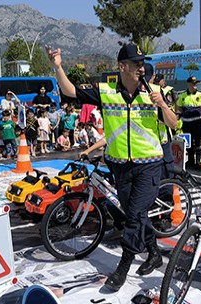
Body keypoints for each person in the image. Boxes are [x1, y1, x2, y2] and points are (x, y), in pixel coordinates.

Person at [48, 43, 178, 291]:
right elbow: (70, 91)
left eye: (143, 63)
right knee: (133, 215)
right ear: (123, 67)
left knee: (134, 217)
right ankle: (153, 252)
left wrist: (162, 104)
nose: (141, 68)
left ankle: (123, 265)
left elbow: (174, 124)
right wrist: (58, 67)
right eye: (136, 64)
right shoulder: (106, 92)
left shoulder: (153, 93)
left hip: (149, 165)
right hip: (120, 166)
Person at [176, 76, 201, 169]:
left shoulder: (200, 95)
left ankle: (199, 162)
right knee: (189, 143)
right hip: (187, 123)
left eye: (196, 83)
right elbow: (179, 106)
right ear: (188, 84)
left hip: (197, 123)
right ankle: (191, 161)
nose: (195, 85)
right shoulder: (183, 95)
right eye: (193, 83)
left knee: (198, 143)